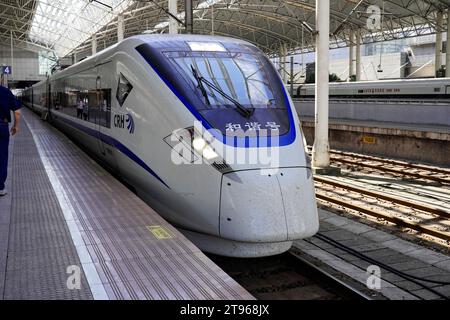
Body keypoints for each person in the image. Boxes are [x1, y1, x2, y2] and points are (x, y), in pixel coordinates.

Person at [0, 85, 21, 196]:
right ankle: (0, 188)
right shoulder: (5, 91)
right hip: (2, 126)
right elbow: (17, 112)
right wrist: (16, 126)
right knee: (2, 156)